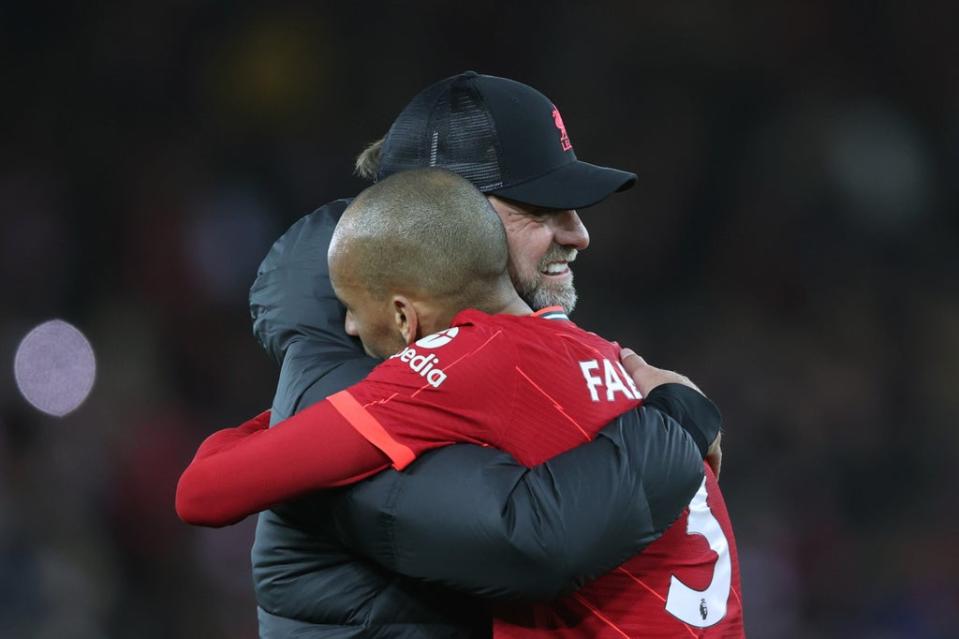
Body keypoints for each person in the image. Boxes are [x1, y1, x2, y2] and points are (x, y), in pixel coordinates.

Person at [185, 72, 726, 638]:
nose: (580, 234)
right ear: (444, 209)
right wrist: (676, 423)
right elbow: (533, 542)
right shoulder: (423, 366)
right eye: (540, 208)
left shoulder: (488, 351)